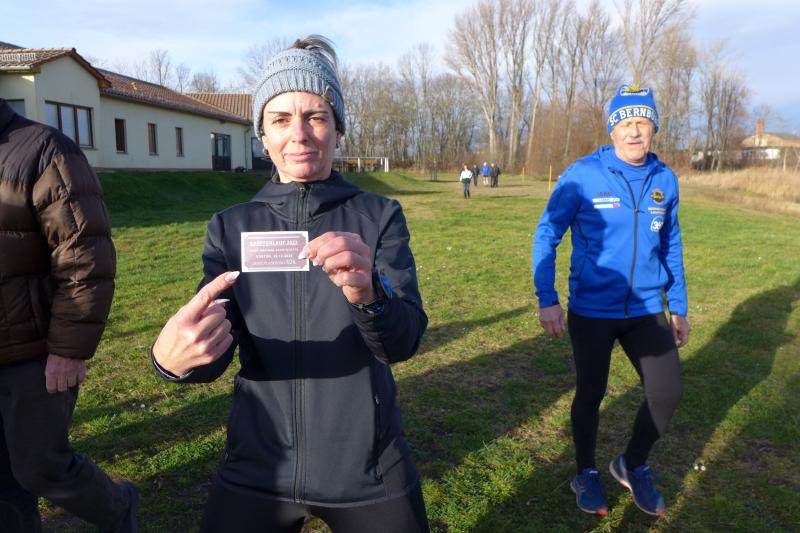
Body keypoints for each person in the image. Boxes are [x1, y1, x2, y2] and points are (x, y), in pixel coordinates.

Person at [151, 36, 430, 533]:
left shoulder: (379, 215)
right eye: (280, 119)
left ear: (338, 129)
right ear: (262, 135)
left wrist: (370, 295)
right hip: (259, 467)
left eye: (315, 116)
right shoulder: (230, 227)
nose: (298, 134)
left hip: (367, 468)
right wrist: (175, 362)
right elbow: (215, 349)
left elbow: (403, 342)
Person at [531, 84, 689, 518]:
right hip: (591, 311)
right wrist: (547, 298)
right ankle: (586, 471)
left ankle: (632, 463)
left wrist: (678, 306)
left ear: (654, 128)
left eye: (643, 122)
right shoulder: (583, 174)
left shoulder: (665, 179)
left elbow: (671, 245)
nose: (634, 131)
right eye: (626, 123)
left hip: (646, 309)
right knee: (591, 392)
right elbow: (547, 233)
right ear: (612, 129)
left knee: (667, 392)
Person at [0, 98, 138, 532]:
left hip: (33, 352)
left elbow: (84, 259)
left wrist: (68, 350)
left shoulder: (43, 149)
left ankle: (119, 507)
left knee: (40, 467)